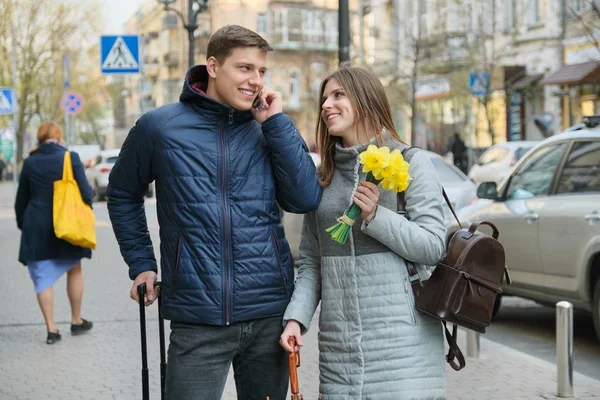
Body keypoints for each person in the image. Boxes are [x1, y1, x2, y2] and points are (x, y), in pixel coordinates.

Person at [107, 25, 321, 400]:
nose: (255, 80)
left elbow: (304, 199)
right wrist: (142, 263)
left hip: (269, 313)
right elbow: (123, 193)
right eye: (244, 69)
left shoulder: (268, 129)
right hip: (197, 318)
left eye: (261, 71)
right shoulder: (160, 127)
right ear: (213, 66)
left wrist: (277, 124)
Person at [280, 67, 447, 399]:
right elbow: (313, 263)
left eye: (338, 95)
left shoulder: (411, 163)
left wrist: (376, 216)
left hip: (402, 347)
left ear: (367, 100)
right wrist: (295, 320)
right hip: (338, 350)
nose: (327, 104)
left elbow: (433, 246)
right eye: (324, 98)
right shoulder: (322, 177)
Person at [15, 122, 94, 345]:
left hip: (36, 225)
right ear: (59, 136)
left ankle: (51, 329)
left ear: (40, 138)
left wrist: (25, 226)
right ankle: (76, 320)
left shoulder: (29, 162)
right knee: (75, 269)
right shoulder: (70, 157)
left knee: (42, 278)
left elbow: (21, 200)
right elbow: (86, 193)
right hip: (67, 223)